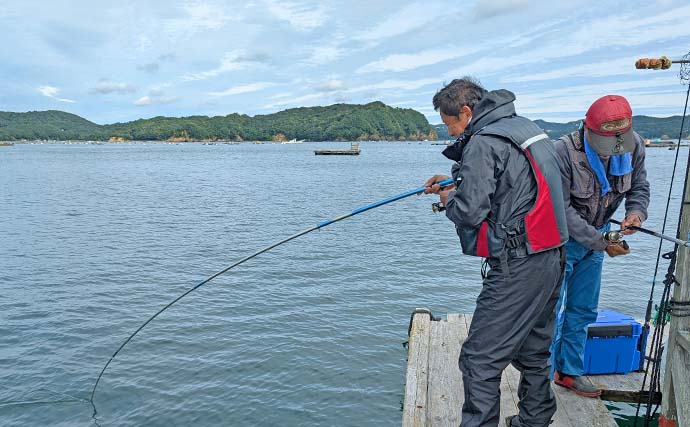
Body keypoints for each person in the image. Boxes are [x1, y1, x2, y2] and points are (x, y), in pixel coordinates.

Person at [424, 77, 568, 427]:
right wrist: (457, 180)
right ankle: (534, 421)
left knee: (478, 360)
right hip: (553, 256)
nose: (450, 133)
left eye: (449, 124)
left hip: (518, 266)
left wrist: (449, 200)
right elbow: (515, 185)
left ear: (467, 111)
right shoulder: (524, 128)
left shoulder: (483, 143)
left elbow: (470, 212)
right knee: (534, 352)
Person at [551, 94, 650, 397]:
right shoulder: (561, 152)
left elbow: (640, 188)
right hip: (560, 241)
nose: (615, 149)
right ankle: (538, 380)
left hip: (600, 235)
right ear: (588, 129)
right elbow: (561, 210)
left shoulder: (635, 148)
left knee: (583, 309)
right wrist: (603, 242)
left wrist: (635, 213)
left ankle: (569, 371)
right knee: (548, 311)